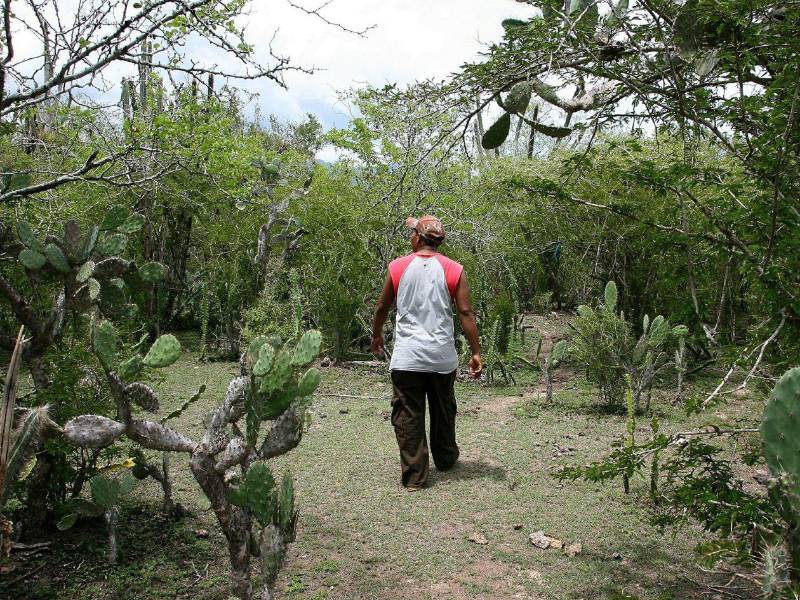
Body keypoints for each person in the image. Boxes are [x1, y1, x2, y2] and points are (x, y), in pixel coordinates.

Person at [371, 215, 482, 490]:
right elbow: (466, 312)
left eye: (412, 233)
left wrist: (376, 335)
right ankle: (445, 459)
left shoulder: (398, 267)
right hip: (441, 356)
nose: (410, 238)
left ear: (419, 238)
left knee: (408, 413)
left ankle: (415, 477)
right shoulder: (453, 269)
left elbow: (382, 307)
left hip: (408, 356)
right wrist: (476, 351)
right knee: (444, 409)